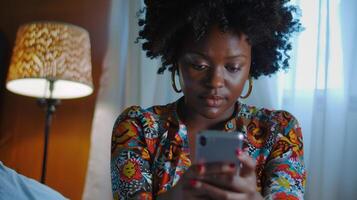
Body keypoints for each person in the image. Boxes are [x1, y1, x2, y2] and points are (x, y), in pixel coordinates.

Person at [111, 0, 305, 199]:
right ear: (176, 61)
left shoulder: (280, 130)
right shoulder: (138, 126)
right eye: (199, 65)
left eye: (233, 67)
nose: (215, 82)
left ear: (251, 67)